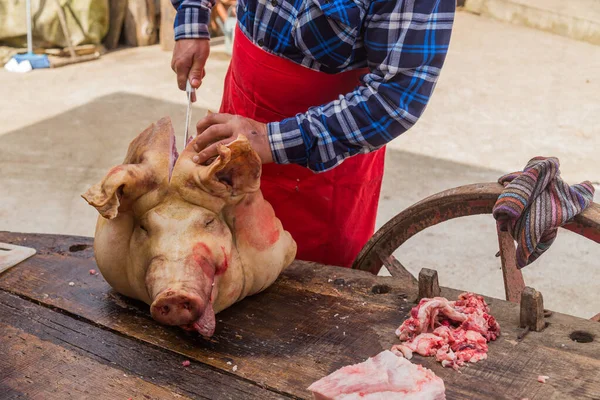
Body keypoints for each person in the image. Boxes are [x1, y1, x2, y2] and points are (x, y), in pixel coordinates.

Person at [170, 0, 456, 268]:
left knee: (305, 305)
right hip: (240, 109)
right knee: (218, 265)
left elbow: (396, 98)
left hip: (324, 166)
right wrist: (192, 15)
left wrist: (269, 140)